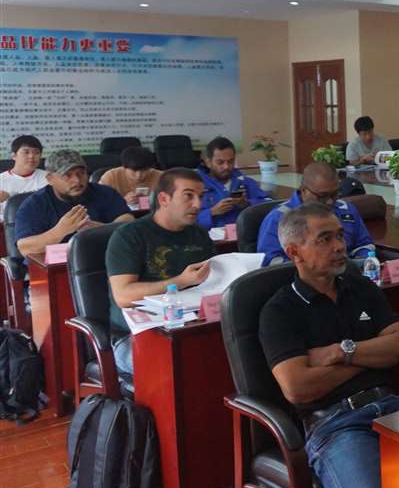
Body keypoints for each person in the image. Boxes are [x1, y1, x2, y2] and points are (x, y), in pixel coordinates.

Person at [259, 202, 399, 488]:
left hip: (393, 407)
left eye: (340, 236)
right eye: (325, 239)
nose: (341, 246)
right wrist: (367, 357)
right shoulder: (279, 311)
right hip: (336, 423)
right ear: (294, 252)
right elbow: (297, 388)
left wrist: (340, 352)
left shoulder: (360, 286)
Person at [105, 168, 215, 377]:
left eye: (201, 197)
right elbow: (123, 296)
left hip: (189, 327)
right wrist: (180, 281)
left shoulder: (200, 235)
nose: (198, 205)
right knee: (183, 365)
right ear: (164, 199)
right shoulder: (129, 236)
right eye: (188, 196)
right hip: (135, 336)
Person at [15, 150, 133, 258]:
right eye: (67, 175)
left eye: (81, 173)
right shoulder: (35, 204)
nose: (77, 180)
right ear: (50, 179)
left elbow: (128, 221)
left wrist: (102, 230)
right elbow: (24, 248)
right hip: (57, 267)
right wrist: (60, 231)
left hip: (102, 258)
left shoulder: (105, 193)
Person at [257, 162, 377, 266]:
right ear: (303, 190)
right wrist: (310, 269)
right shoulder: (278, 218)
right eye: (322, 196)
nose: (330, 201)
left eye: (335, 194)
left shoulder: (346, 209)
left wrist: (358, 263)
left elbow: (365, 245)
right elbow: (270, 262)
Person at [196, 136, 270, 230]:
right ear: (208, 162)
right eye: (220, 162)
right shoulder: (196, 184)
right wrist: (212, 212)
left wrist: (247, 204)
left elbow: (269, 205)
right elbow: (184, 219)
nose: (226, 166)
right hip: (210, 237)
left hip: (242, 235)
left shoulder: (244, 181)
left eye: (230, 161)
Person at [0, 135, 48, 213]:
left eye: (36, 152)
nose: (31, 156)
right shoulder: (1, 180)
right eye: (26, 152)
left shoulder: (49, 177)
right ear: (14, 156)